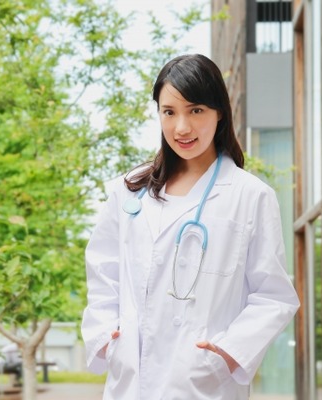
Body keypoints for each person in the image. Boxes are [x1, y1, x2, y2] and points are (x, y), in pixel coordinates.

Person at [80, 54, 299, 400]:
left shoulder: (250, 196)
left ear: (219, 112)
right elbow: (103, 273)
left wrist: (225, 355)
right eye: (169, 112)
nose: (181, 127)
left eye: (195, 110)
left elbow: (273, 296)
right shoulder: (128, 191)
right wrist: (108, 338)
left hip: (202, 384)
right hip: (130, 383)